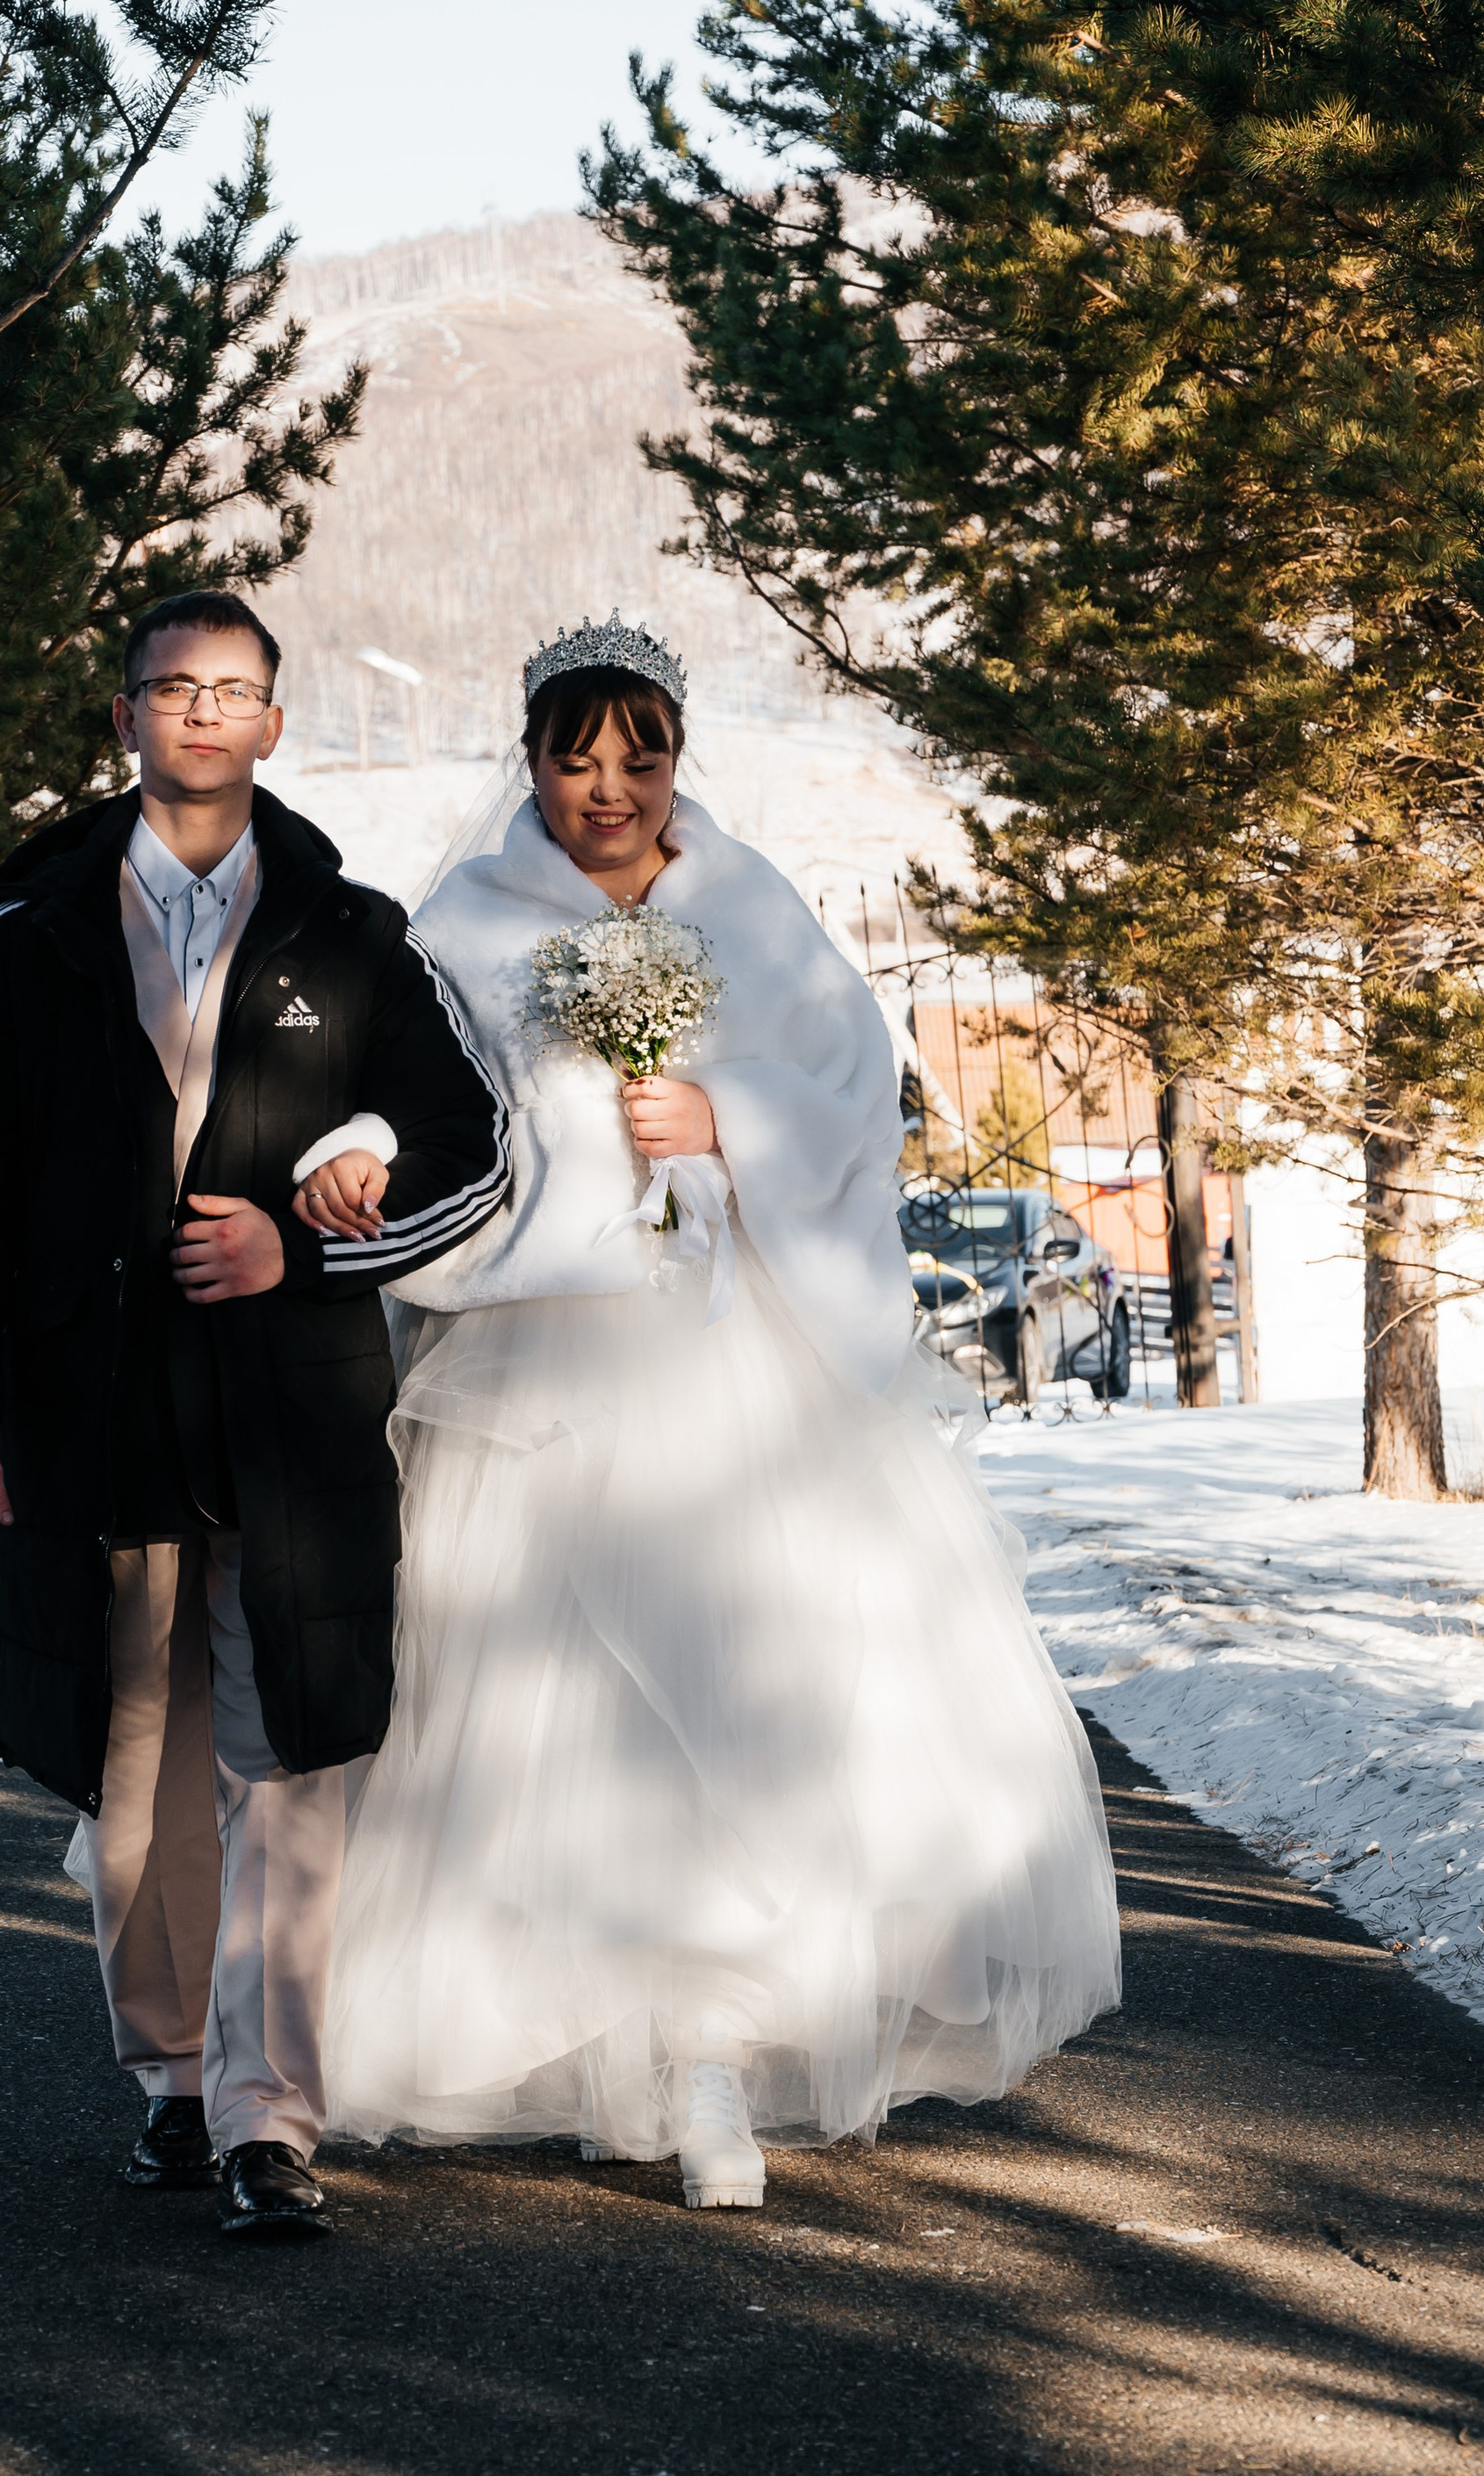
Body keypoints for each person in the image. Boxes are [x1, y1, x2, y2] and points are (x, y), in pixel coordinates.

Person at [322, 617, 1121, 2205]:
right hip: (548, 1365)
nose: (608, 788)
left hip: (738, 1358)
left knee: (750, 1698)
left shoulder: (747, 906)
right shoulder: (467, 924)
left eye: (641, 755)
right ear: (533, 762)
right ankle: (600, 2029)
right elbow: (405, 1082)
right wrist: (349, 1139)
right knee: (554, 1709)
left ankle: (719, 2055)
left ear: (680, 758)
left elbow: (848, 1095)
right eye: (575, 756)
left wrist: (720, 1115)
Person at [0, 589, 508, 2237]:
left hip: (289, 1423)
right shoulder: (25, 933)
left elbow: (481, 1154)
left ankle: (268, 2117)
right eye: (172, 688)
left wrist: (309, 1252)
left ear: (274, 723)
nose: (200, 715)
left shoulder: (357, 934)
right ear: (126, 717)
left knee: (286, 1768)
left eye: (232, 691)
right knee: (135, 1770)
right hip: (92, 1416)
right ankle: (171, 2079)